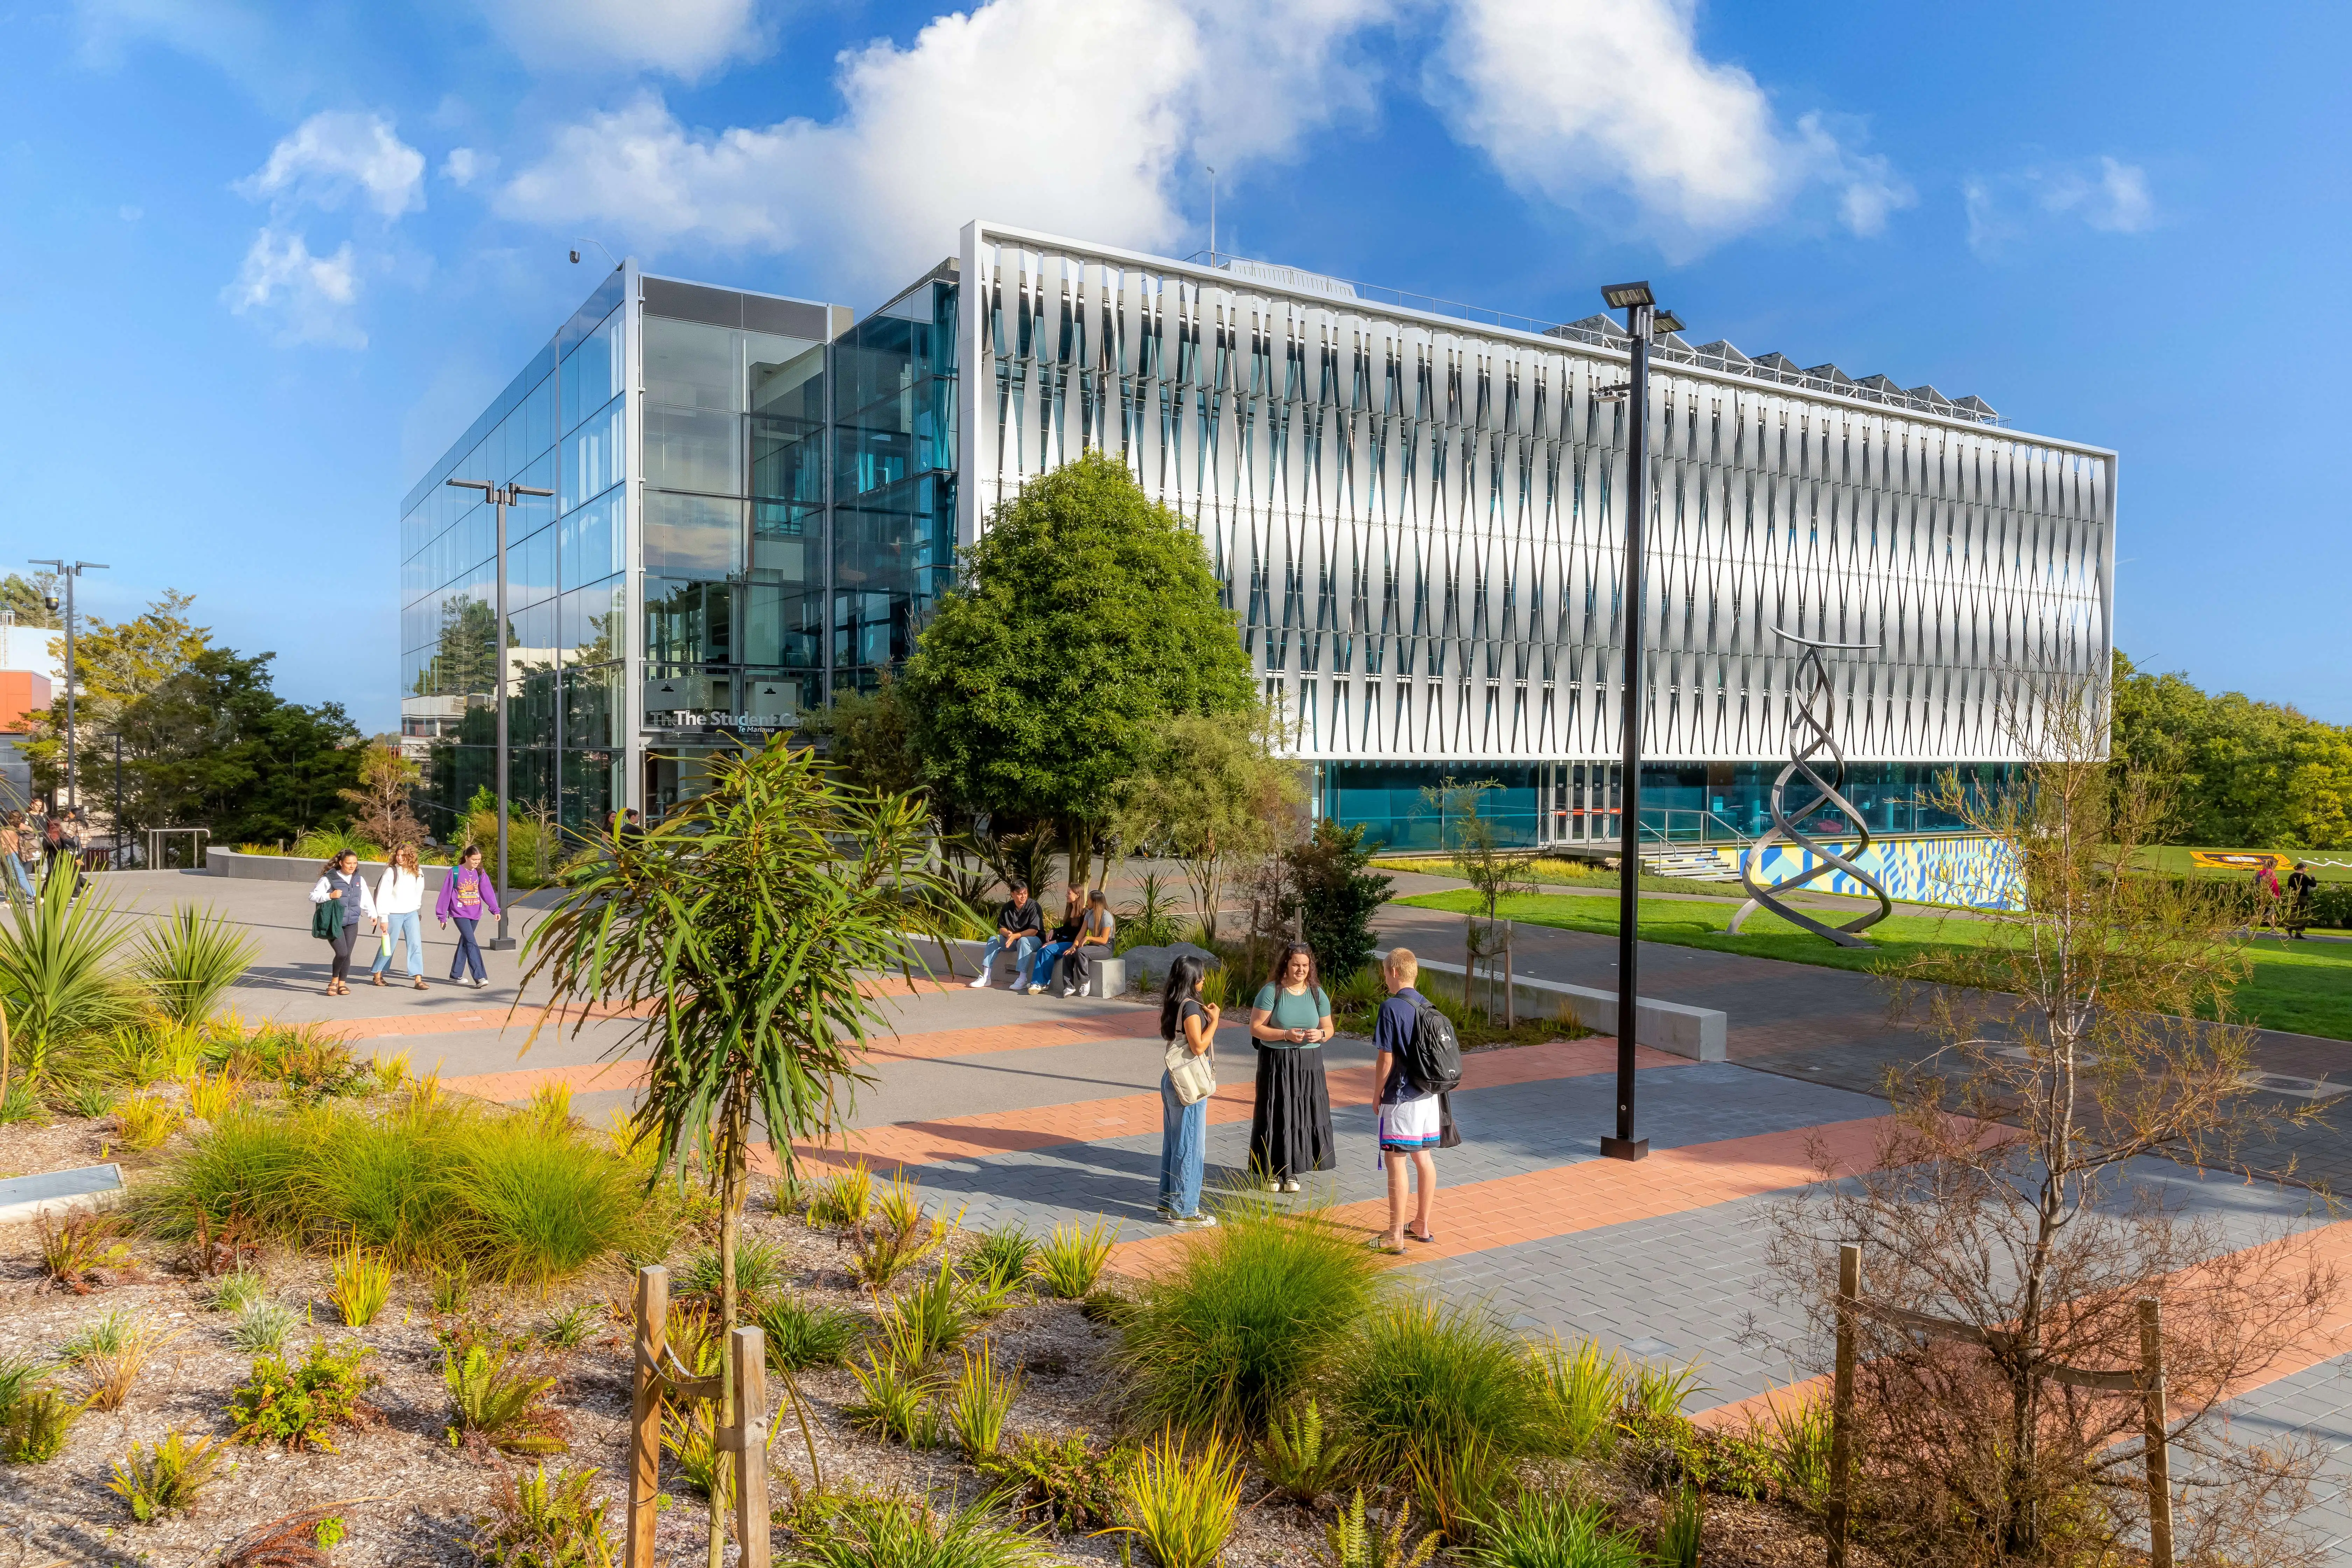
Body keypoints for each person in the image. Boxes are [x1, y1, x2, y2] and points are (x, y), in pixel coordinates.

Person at [1371, 947, 1446, 1254]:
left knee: (1396, 1162)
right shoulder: (1429, 1006)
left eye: (1386, 973)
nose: (1386, 979)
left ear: (1395, 973)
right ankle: (1422, 1225)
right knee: (1424, 1158)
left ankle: (1394, 1236)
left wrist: (1377, 1092)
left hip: (1402, 1096)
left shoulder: (1391, 1007)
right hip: (1429, 1096)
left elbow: (1386, 1058)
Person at [1247, 940, 1337, 1193]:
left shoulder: (1317, 993)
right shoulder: (1271, 991)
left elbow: (1329, 1028)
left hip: (1309, 1065)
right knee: (1277, 1114)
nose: (1301, 970)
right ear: (1285, 965)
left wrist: (1321, 1036)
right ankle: (1272, 1173)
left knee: (1301, 1116)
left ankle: (1293, 1172)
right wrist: (1285, 1034)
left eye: (1306, 965)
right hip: (1277, 1062)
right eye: (1296, 965)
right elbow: (1256, 1028)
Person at [1156, 954, 1220, 1228]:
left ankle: (1167, 1204)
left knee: (1174, 1143)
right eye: (1202, 976)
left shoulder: (1174, 1002)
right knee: (1191, 1146)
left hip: (1173, 1079)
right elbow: (1198, 1046)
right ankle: (1185, 1210)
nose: (1204, 980)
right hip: (1189, 1084)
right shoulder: (1192, 1008)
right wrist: (1215, 1022)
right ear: (1194, 980)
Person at [308, 849, 378, 996]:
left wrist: (372, 914)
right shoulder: (330, 878)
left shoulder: (359, 879)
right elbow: (313, 896)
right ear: (341, 863)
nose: (352, 866)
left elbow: (365, 898)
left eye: (355, 863)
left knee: (348, 954)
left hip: (352, 922)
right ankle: (334, 981)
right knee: (342, 953)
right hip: (335, 921)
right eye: (349, 863)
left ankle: (342, 984)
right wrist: (330, 896)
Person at [436, 844, 501, 988]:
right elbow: (445, 894)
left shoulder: (480, 873)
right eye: (474, 860)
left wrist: (495, 910)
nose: (477, 863)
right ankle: (480, 977)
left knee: (466, 941)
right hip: (460, 913)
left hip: (475, 912)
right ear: (467, 857)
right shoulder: (455, 872)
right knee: (471, 942)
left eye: (479, 860)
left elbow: (487, 892)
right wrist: (442, 916)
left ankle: (455, 974)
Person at [368, 844, 431, 989]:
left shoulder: (418, 872)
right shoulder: (391, 872)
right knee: (389, 945)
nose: (400, 858)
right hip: (393, 914)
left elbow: (418, 894)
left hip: (412, 914)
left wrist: (418, 912)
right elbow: (383, 895)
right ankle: (378, 973)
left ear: (411, 856)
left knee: (415, 944)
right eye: (398, 855)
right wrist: (383, 918)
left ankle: (418, 979)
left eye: (403, 855)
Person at [968, 882, 1042, 989]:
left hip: (1033, 940)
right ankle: (986, 977)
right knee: (994, 939)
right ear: (1013, 894)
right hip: (1012, 940)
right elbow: (1001, 927)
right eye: (1020, 894)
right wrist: (1008, 934)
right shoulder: (1007, 907)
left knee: (1024, 941)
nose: (1023, 896)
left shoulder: (1034, 906)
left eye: (1025, 893)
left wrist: (1015, 936)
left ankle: (1022, 978)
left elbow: (1034, 931)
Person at [1023, 884, 1086, 994]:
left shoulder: (1084, 914)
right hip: (1064, 941)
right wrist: (1054, 930)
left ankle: (1043, 983)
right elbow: (1066, 929)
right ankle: (1037, 982)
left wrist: (1056, 942)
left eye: (1069, 893)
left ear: (1078, 895)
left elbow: (1077, 935)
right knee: (1042, 950)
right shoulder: (1070, 909)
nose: (1066, 895)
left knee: (1048, 949)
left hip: (1072, 944)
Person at [1060, 888, 1118, 997]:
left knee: (1081, 952)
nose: (1087, 902)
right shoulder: (1090, 914)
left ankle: (1085, 981)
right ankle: (1069, 986)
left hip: (1106, 947)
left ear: (1095, 902)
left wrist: (1088, 938)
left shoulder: (1107, 917)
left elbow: (1104, 940)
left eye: (1089, 900)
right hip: (1095, 946)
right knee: (1069, 955)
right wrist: (1074, 947)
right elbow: (1082, 933)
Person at [0, 813, 33, 903]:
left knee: (19, 877)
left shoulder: (5, 831)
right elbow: (32, 830)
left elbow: (3, 847)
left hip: (11, 855)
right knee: (15, 876)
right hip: (23, 854)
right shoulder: (20, 827)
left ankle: (35, 895)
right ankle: (11, 897)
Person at [2287, 861, 2320, 939]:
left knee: (2294, 914)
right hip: (2302, 898)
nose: (2306, 870)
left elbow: (2289, 887)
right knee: (2306, 915)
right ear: (2303, 868)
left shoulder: (2291, 876)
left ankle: (2297, 932)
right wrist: (2313, 878)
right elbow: (2313, 884)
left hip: (2293, 897)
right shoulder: (2303, 877)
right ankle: (2292, 927)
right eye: (2306, 868)